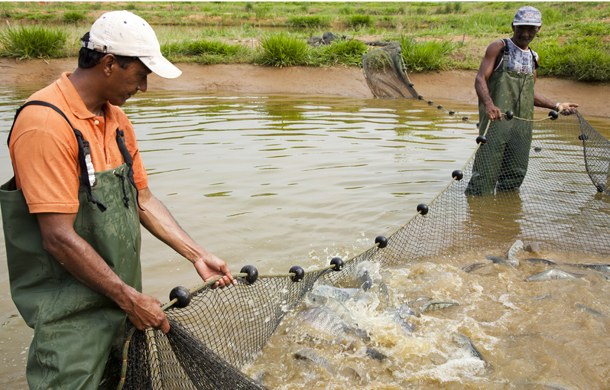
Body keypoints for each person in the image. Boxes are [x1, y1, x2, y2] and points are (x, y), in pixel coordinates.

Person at [0, 10, 236, 388]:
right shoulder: (44, 124)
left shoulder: (118, 121)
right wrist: (130, 298)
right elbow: (57, 236)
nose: (143, 87)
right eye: (140, 75)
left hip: (122, 307)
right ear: (109, 64)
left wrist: (197, 254)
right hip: (70, 322)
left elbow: (143, 200)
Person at [465, 6, 579, 196]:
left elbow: (529, 94)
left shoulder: (534, 58)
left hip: (522, 125)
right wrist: (490, 105)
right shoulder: (499, 47)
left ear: (538, 29)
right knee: (484, 175)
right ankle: (478, 215)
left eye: (531, 29)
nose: (526, 33)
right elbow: (480, 79)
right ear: (513, 26)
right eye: (521, 28)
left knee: (515, 174)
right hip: (496, 121)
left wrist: (557, 105)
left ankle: (506, 211)